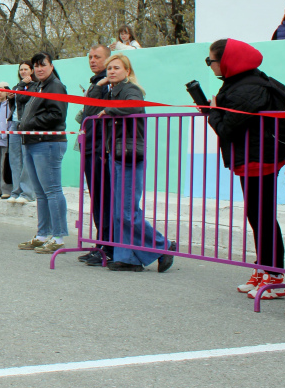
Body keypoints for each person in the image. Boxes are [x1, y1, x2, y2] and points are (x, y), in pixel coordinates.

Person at [206, 38, 285, 299]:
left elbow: (226, 128)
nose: (210, 65)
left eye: (211, 60)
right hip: (254, 157)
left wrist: (212, 113)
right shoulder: (242, 83)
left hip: (259, 158)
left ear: (226, 62)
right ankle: (263, 268)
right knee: (257, 214)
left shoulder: (246, 89)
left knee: (262, 215)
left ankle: (274, 275)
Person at [97, 54, 175, 273]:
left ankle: (163, 245)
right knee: (120, 211)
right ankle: (127, 256)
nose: (111, 71)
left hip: (129, 155)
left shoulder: (131, 90)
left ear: (127, 72)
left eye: (116, 68)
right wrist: (99, 84)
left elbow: (133, 106)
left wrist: (109, 110)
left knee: (127, 211)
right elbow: (89, 108)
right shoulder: (113, 91)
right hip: (118, 154)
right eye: (108, 68)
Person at [17, 53, 69, 254]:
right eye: (36, 66)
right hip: (32, 143)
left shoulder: (55, 86)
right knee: (40, 193)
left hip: (47, 143)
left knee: (52, 191)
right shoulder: (38, 86)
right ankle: (42, 235)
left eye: (42, 65)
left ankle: (58, 236)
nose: (39, 69)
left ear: (51, 66)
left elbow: (57, 114)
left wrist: (29, 124)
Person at [76, 45, 115, 266]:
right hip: (90, 147)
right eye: (90, 57)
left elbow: (92, 113)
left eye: (97, 57)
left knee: (103, 199)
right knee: (97, 200)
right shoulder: (96, 83)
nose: (92, 60)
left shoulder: (105, 84)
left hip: (100, 149)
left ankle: (107, 247)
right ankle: (101, 245)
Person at [8, 62, 35, 204]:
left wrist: (18, 88)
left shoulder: (35, 86)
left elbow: (24, 98)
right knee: (14, 159)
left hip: (26, 125)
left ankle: (27, 192)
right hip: (14, 124)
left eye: (26, 69)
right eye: (21, 70)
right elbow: (14, 104)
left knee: (26, 159)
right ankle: (16, 191)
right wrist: (10, 98)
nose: (23, 72)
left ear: (32, 71)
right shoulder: (17, 86)